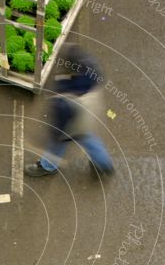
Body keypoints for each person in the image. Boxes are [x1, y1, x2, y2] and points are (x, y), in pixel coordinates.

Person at [25, 44, 115, 177]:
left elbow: (60, 126)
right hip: (89, 112)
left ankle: (48, 166)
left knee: (56, 145)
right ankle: (104, 164)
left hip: (73, 121)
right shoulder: (89, 67)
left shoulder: (65, 97)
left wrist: (53, 136)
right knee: (87, 137)